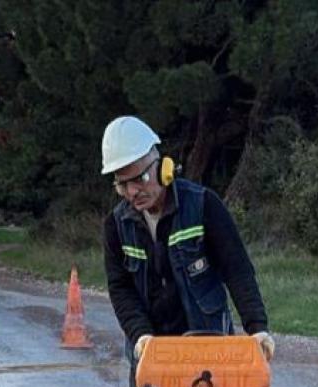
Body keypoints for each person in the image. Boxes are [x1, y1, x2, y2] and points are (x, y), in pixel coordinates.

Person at [99, 116, 273, 373]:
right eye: (123, 184)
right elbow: (120, 288)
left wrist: (256, 327)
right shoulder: (116, 226)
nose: (133, 191)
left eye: (140, 178)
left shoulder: (203, 206)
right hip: (152, 351)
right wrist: (140, 335)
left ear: (162, 169)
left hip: (206, 344)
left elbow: (236, 269)